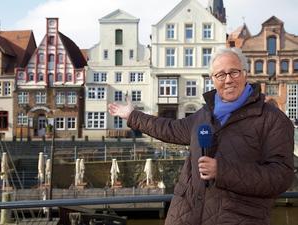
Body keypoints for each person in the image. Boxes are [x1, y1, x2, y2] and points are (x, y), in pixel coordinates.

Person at [108, 47, 294, 225]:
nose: (228, 79)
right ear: (212, 80)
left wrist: (222, 171)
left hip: (238, 218)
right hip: (187, 216)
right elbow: (170, 128)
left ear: (245, 74)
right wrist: (132, 116)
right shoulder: (204, 115)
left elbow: (281, 177)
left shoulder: (272, 119)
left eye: (234, 72)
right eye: (220, 75)